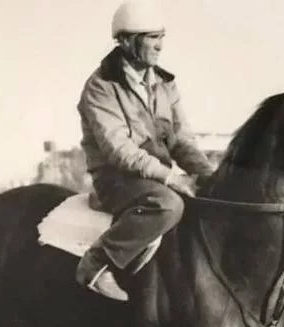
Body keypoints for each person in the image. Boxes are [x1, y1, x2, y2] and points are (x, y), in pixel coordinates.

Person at [75, 0, 215, 301]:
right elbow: (119, 151)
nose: (160, 45)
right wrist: (170, 178)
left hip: (154, 178)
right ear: (127, 41)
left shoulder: (166, 84)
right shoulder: (100, 86)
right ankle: (97, 263)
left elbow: (181, 141)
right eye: (152, 37)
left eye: (162, 36)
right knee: (168, 204)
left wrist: (209, 175)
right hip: (116, 180)